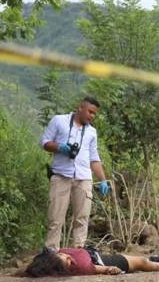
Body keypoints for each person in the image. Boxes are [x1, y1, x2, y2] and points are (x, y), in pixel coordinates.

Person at [40, 96, 110, 251]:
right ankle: (51, 252)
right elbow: (44, 142)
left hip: (83, 177)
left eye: (94, 114)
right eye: (90, 112)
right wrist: (60, 147)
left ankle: (79, 252)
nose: (92, 116)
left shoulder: (92, 131)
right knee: (56, 218)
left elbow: (94, 158)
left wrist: (103, 180)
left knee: (82, 218)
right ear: (80, 107)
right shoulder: (59, 121)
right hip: (60, 175)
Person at [24, 248, 159, 277]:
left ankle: (156, 259)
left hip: (98, 255)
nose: (69, 258)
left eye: (65, 256)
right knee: (142, 263)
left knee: (132, 257)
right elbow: (96, 269)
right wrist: (109, 269)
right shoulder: (82, 267)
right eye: (67, 262)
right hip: (106, 262)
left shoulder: (59, 256)